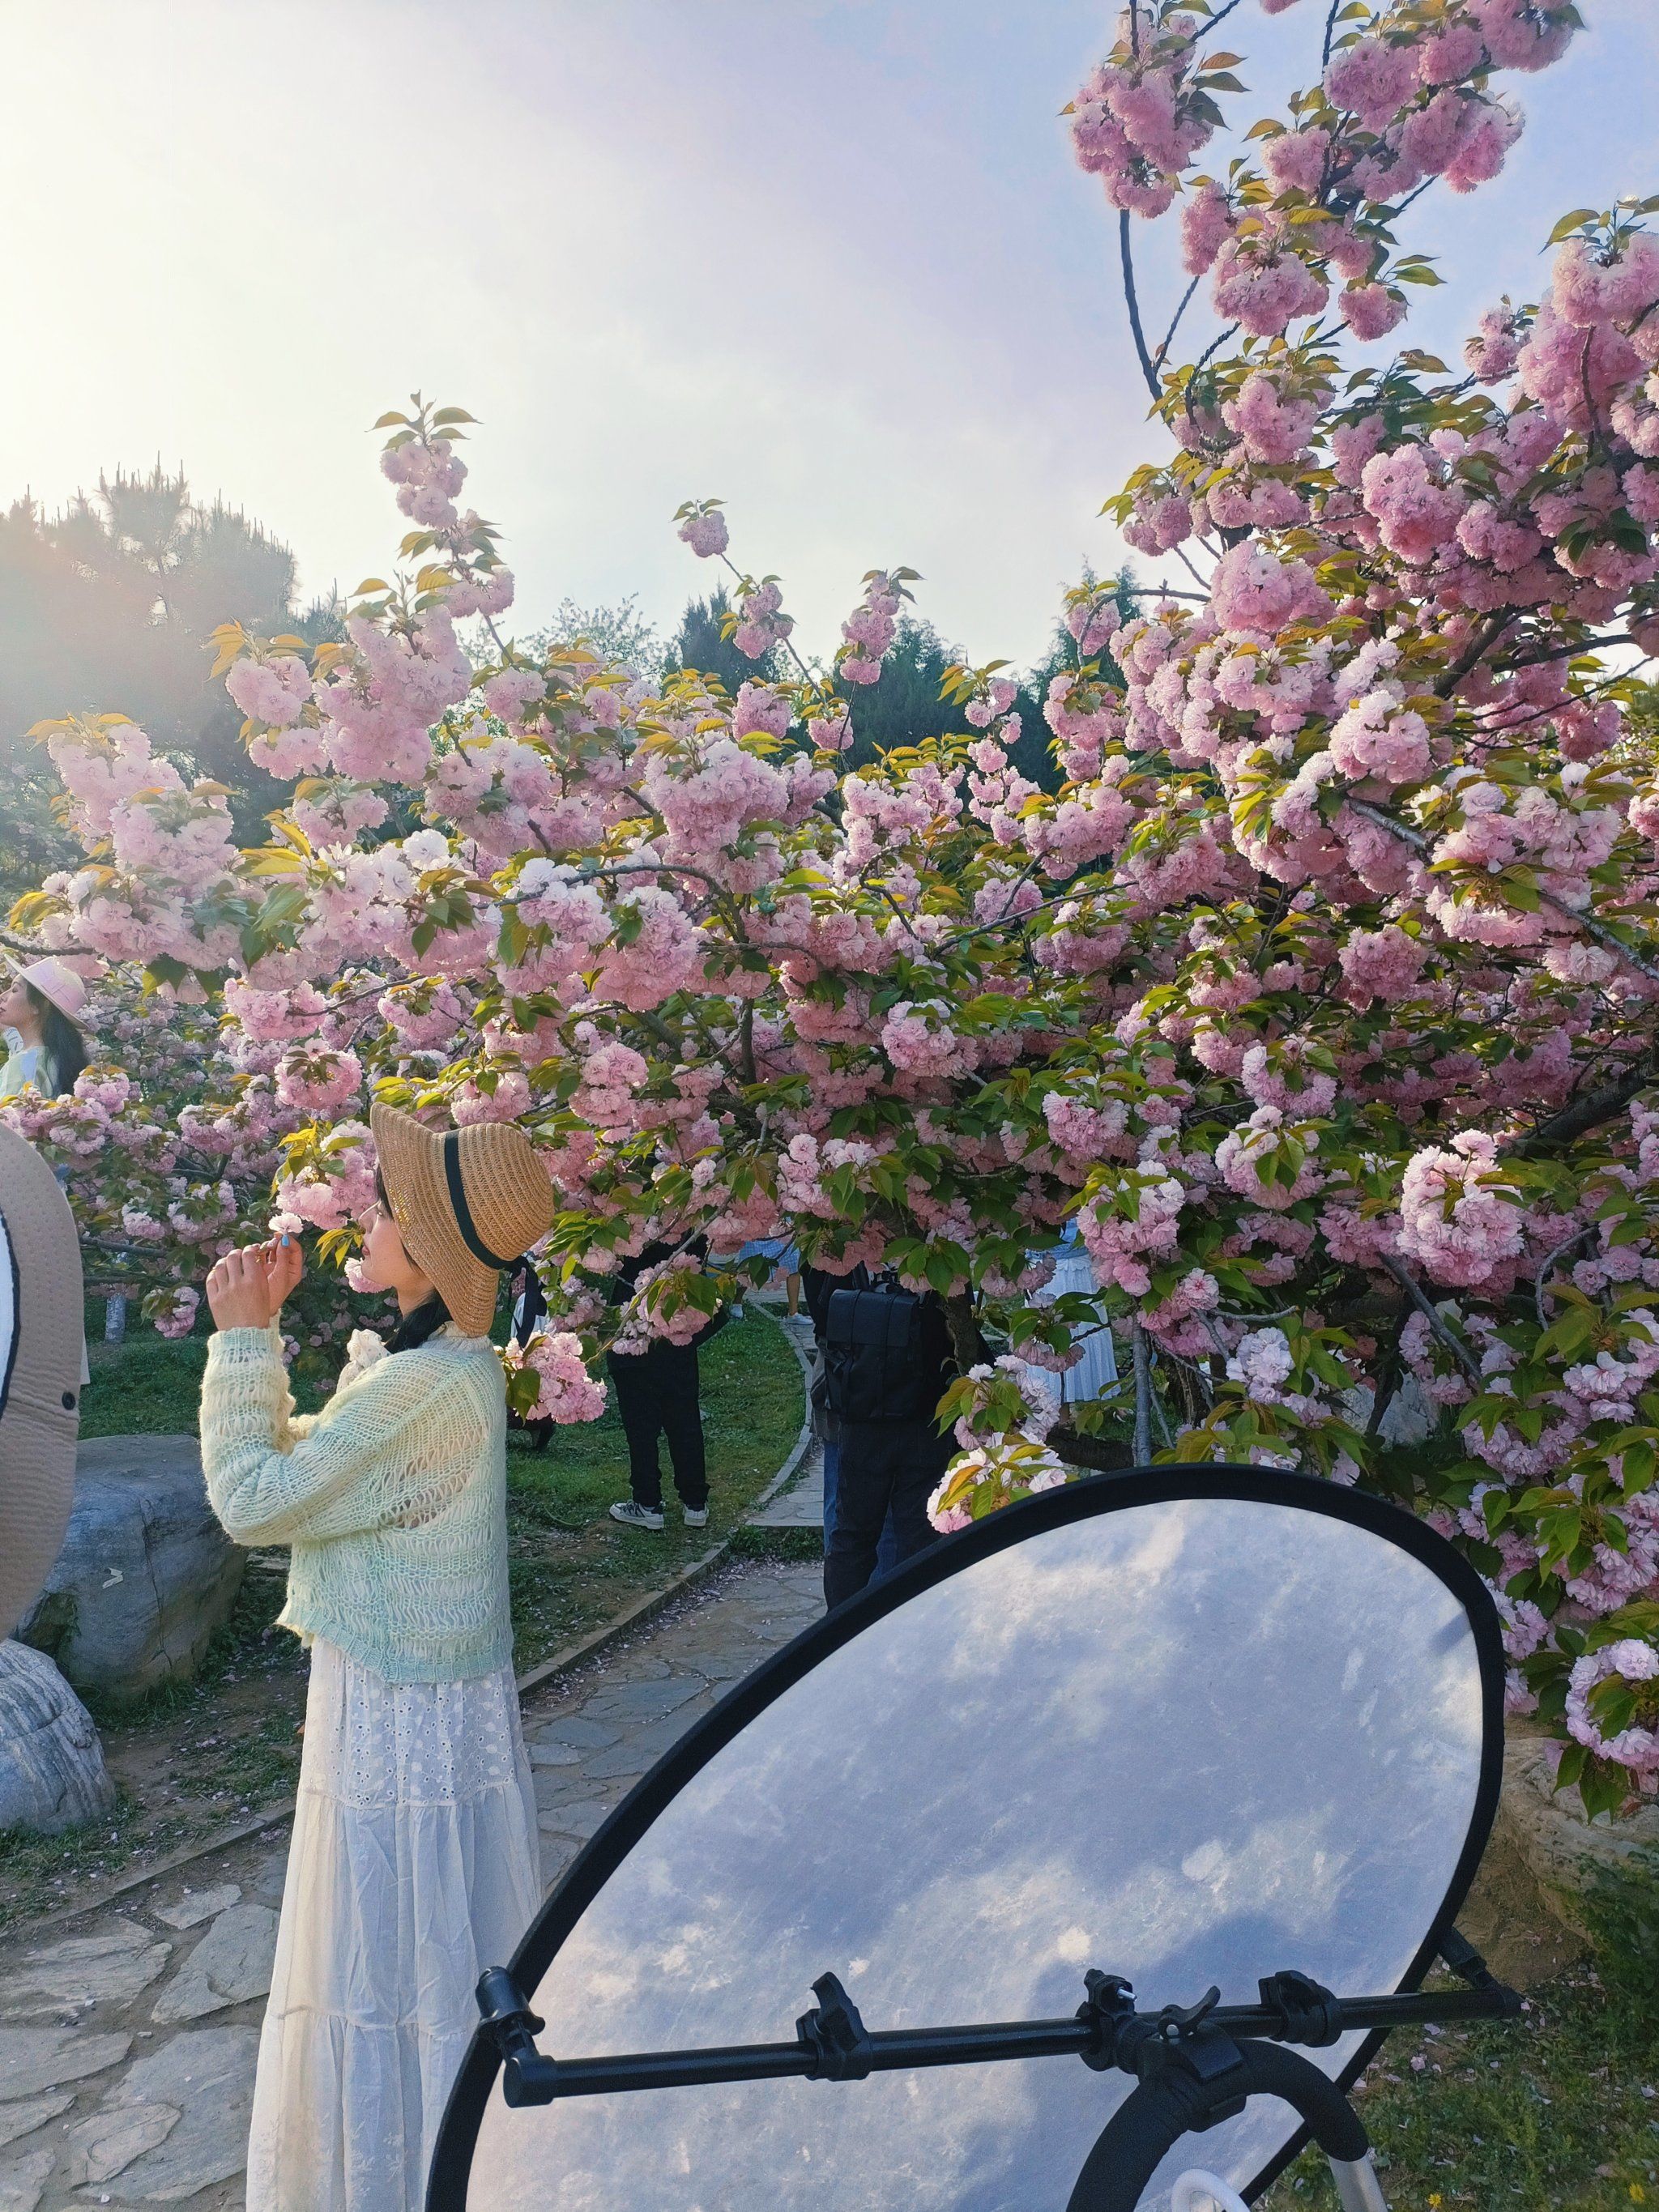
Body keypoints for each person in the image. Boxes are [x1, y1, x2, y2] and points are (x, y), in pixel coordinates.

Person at [198, 1102, 557, 2212]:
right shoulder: (446, 1369)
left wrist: (244, 1337)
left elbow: (255, 1503)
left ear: (437, 1252)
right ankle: (432, 2157)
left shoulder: (424, 1383)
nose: (369, 1217)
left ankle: (391, 2176)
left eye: (393, 1210)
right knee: (425, 1948)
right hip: (426, 1694)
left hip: (400, 1710)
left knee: (388, 1949)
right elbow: (333, 1468)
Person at [817, 1270, 959, 1610]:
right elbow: (961, 1339)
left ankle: (839, 1631)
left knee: (852, 1536)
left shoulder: (846, 1263)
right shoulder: (942, 1269)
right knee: (920, 1535)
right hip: (925, 1418)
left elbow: (825, 1323)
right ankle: (914, 1626)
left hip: (864, 1417)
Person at [605, 1240, 718, 1532]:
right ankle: (694, 1502)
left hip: (634, 1324)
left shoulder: (631, 1214)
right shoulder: (686, 1213)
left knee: (641, 1425)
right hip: (677, 1322)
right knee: (684, 1418)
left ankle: (647, 1502)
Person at [0, 956, 91, 1103]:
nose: (3, 996)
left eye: (15, 990)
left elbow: (7, 1121)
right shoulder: (54, 1061)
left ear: (39, 1006)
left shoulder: (23, 1063)